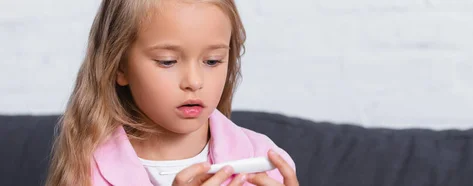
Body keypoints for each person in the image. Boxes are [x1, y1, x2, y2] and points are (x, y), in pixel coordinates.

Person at [45, 0, 298, 185]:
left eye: (212, 61)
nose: (194, 82)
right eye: (167, 61)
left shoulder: (265, 160)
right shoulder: (87, 170)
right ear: (120, 66)